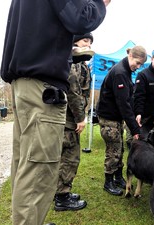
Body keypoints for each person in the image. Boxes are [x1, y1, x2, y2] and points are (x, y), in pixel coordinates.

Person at [0, 0, 107, 224]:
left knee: (25, 167)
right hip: (43, 89)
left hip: (24, 85)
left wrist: (67, 54)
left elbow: (38, 35)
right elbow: (82, 18)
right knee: (38, 174)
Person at [96, 46, 147, 196]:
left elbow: (128, 99)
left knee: (119, 149)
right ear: (130, 55)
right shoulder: (120, 73)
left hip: (116, 118)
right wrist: (135, 129)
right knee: (113, 150)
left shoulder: (126, 71)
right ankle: (108, 182)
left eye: (140, 65)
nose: (137, 67)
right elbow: (123, 105)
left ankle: (118, 178)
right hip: (109, 118)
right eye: (137, 63)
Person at [54, 33, 94, 212]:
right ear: (75, 40)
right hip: (69, 119)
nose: (88, 44)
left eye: (91, 42)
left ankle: (61, 192)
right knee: (70, 158)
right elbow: (73, 91)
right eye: (86, 40)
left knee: (67, 157)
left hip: (69, 118)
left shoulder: (80, 62)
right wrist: (80, 118)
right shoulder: (72, 60)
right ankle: (62, 197)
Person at [133, 49, 154, 155]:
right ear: (152, 59)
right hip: (146, 118)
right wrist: (138, 113)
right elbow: (139, 96)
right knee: (143, 146)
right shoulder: (143, 75)